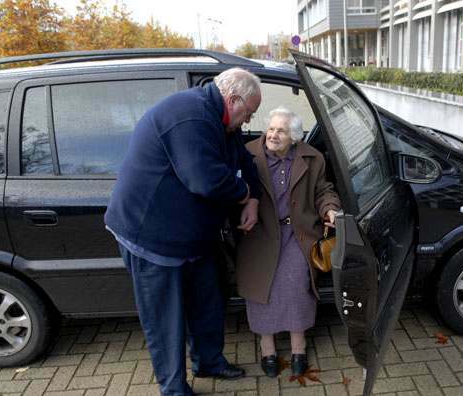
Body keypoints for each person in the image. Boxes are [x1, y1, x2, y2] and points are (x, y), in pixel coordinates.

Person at [104, 68, 262, 396]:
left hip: (194, 238)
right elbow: (205, 179)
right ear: (233, 100)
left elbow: (244, 160)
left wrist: (254, 197)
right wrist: (244, 193)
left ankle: (208, 361)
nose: (248, 122)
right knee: (166, 319)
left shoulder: (221, 119)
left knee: (208, 300)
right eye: (249, 113)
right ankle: (174, 388)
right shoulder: (190, 116)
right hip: (153, 238)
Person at [236, 107, 341, 378]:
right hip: (259, 233)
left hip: (297, 233)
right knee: (262, 286)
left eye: (280, 131)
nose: (272, 134)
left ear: (294, 136)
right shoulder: (248, 154)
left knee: (297, 283)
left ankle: (298, 347)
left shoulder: (312, 158)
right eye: (270, 129)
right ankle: (267, 347)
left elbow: (323, 191)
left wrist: (330, 209)